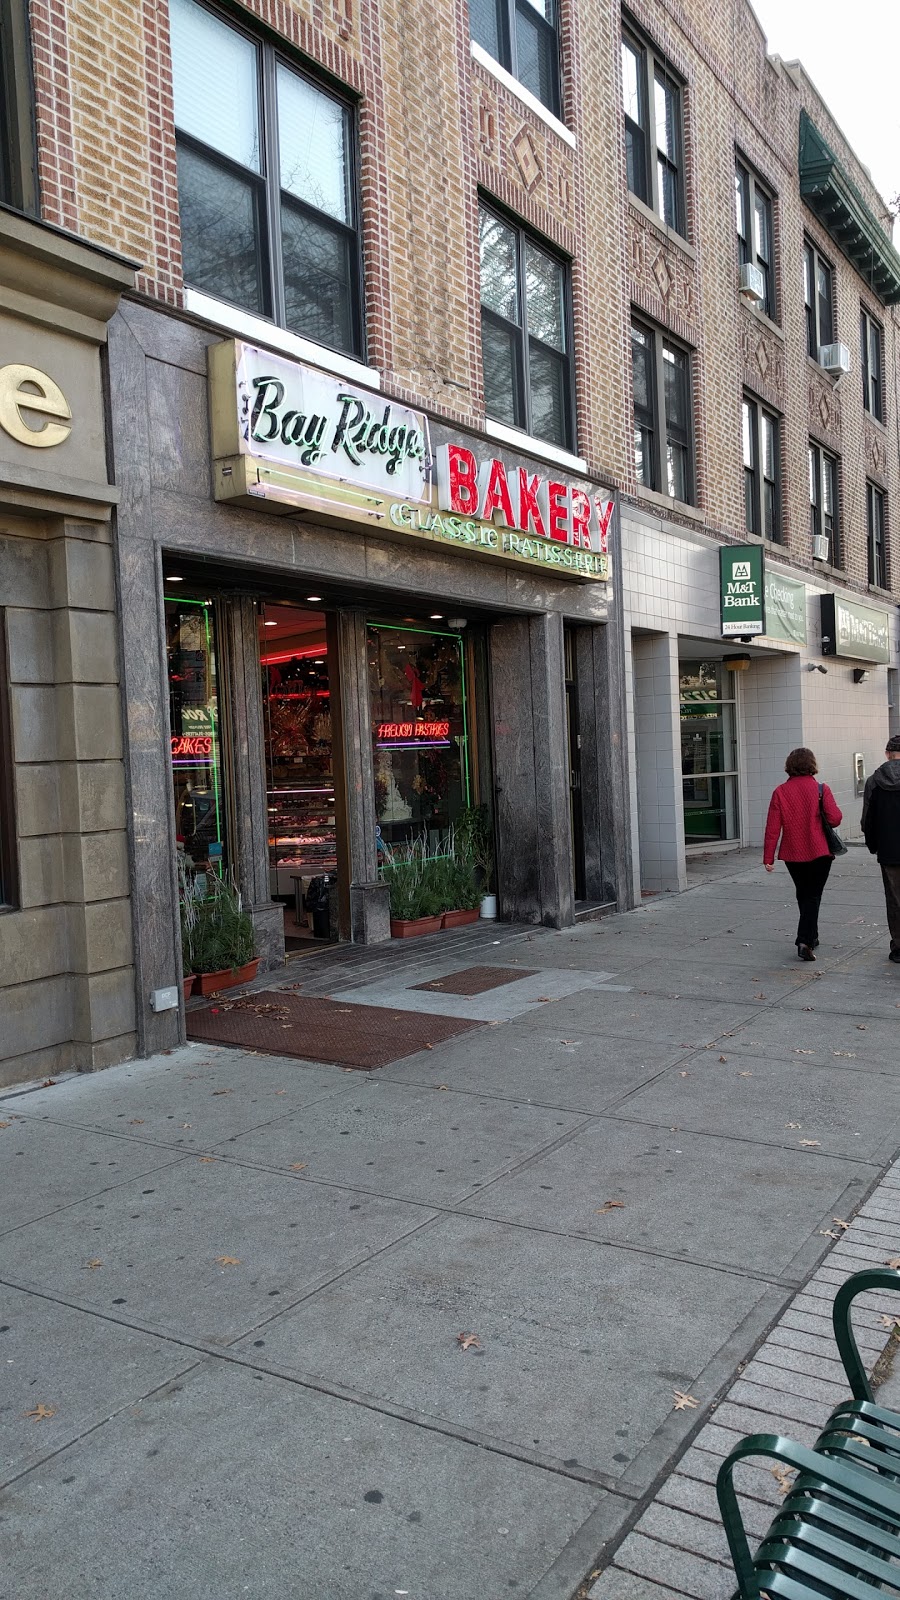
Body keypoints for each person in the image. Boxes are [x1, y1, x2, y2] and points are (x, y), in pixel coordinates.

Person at [763, 747, 842, 961]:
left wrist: (768, 858)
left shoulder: (780, 791)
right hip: (819, 852)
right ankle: (804, 940)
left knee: (804, 894)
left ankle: (812, 937)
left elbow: (772, 828)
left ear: (789, 766)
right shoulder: (821, 789)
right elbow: (835, 819)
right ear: (812, 765)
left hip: (793, 853)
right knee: (813, 895)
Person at [861, 733, 900, 964]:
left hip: (889, 850)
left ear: (887, 753)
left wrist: (873, 845)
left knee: (894, 900)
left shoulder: (874, 781)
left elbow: (868, 820)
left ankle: (898, 947)